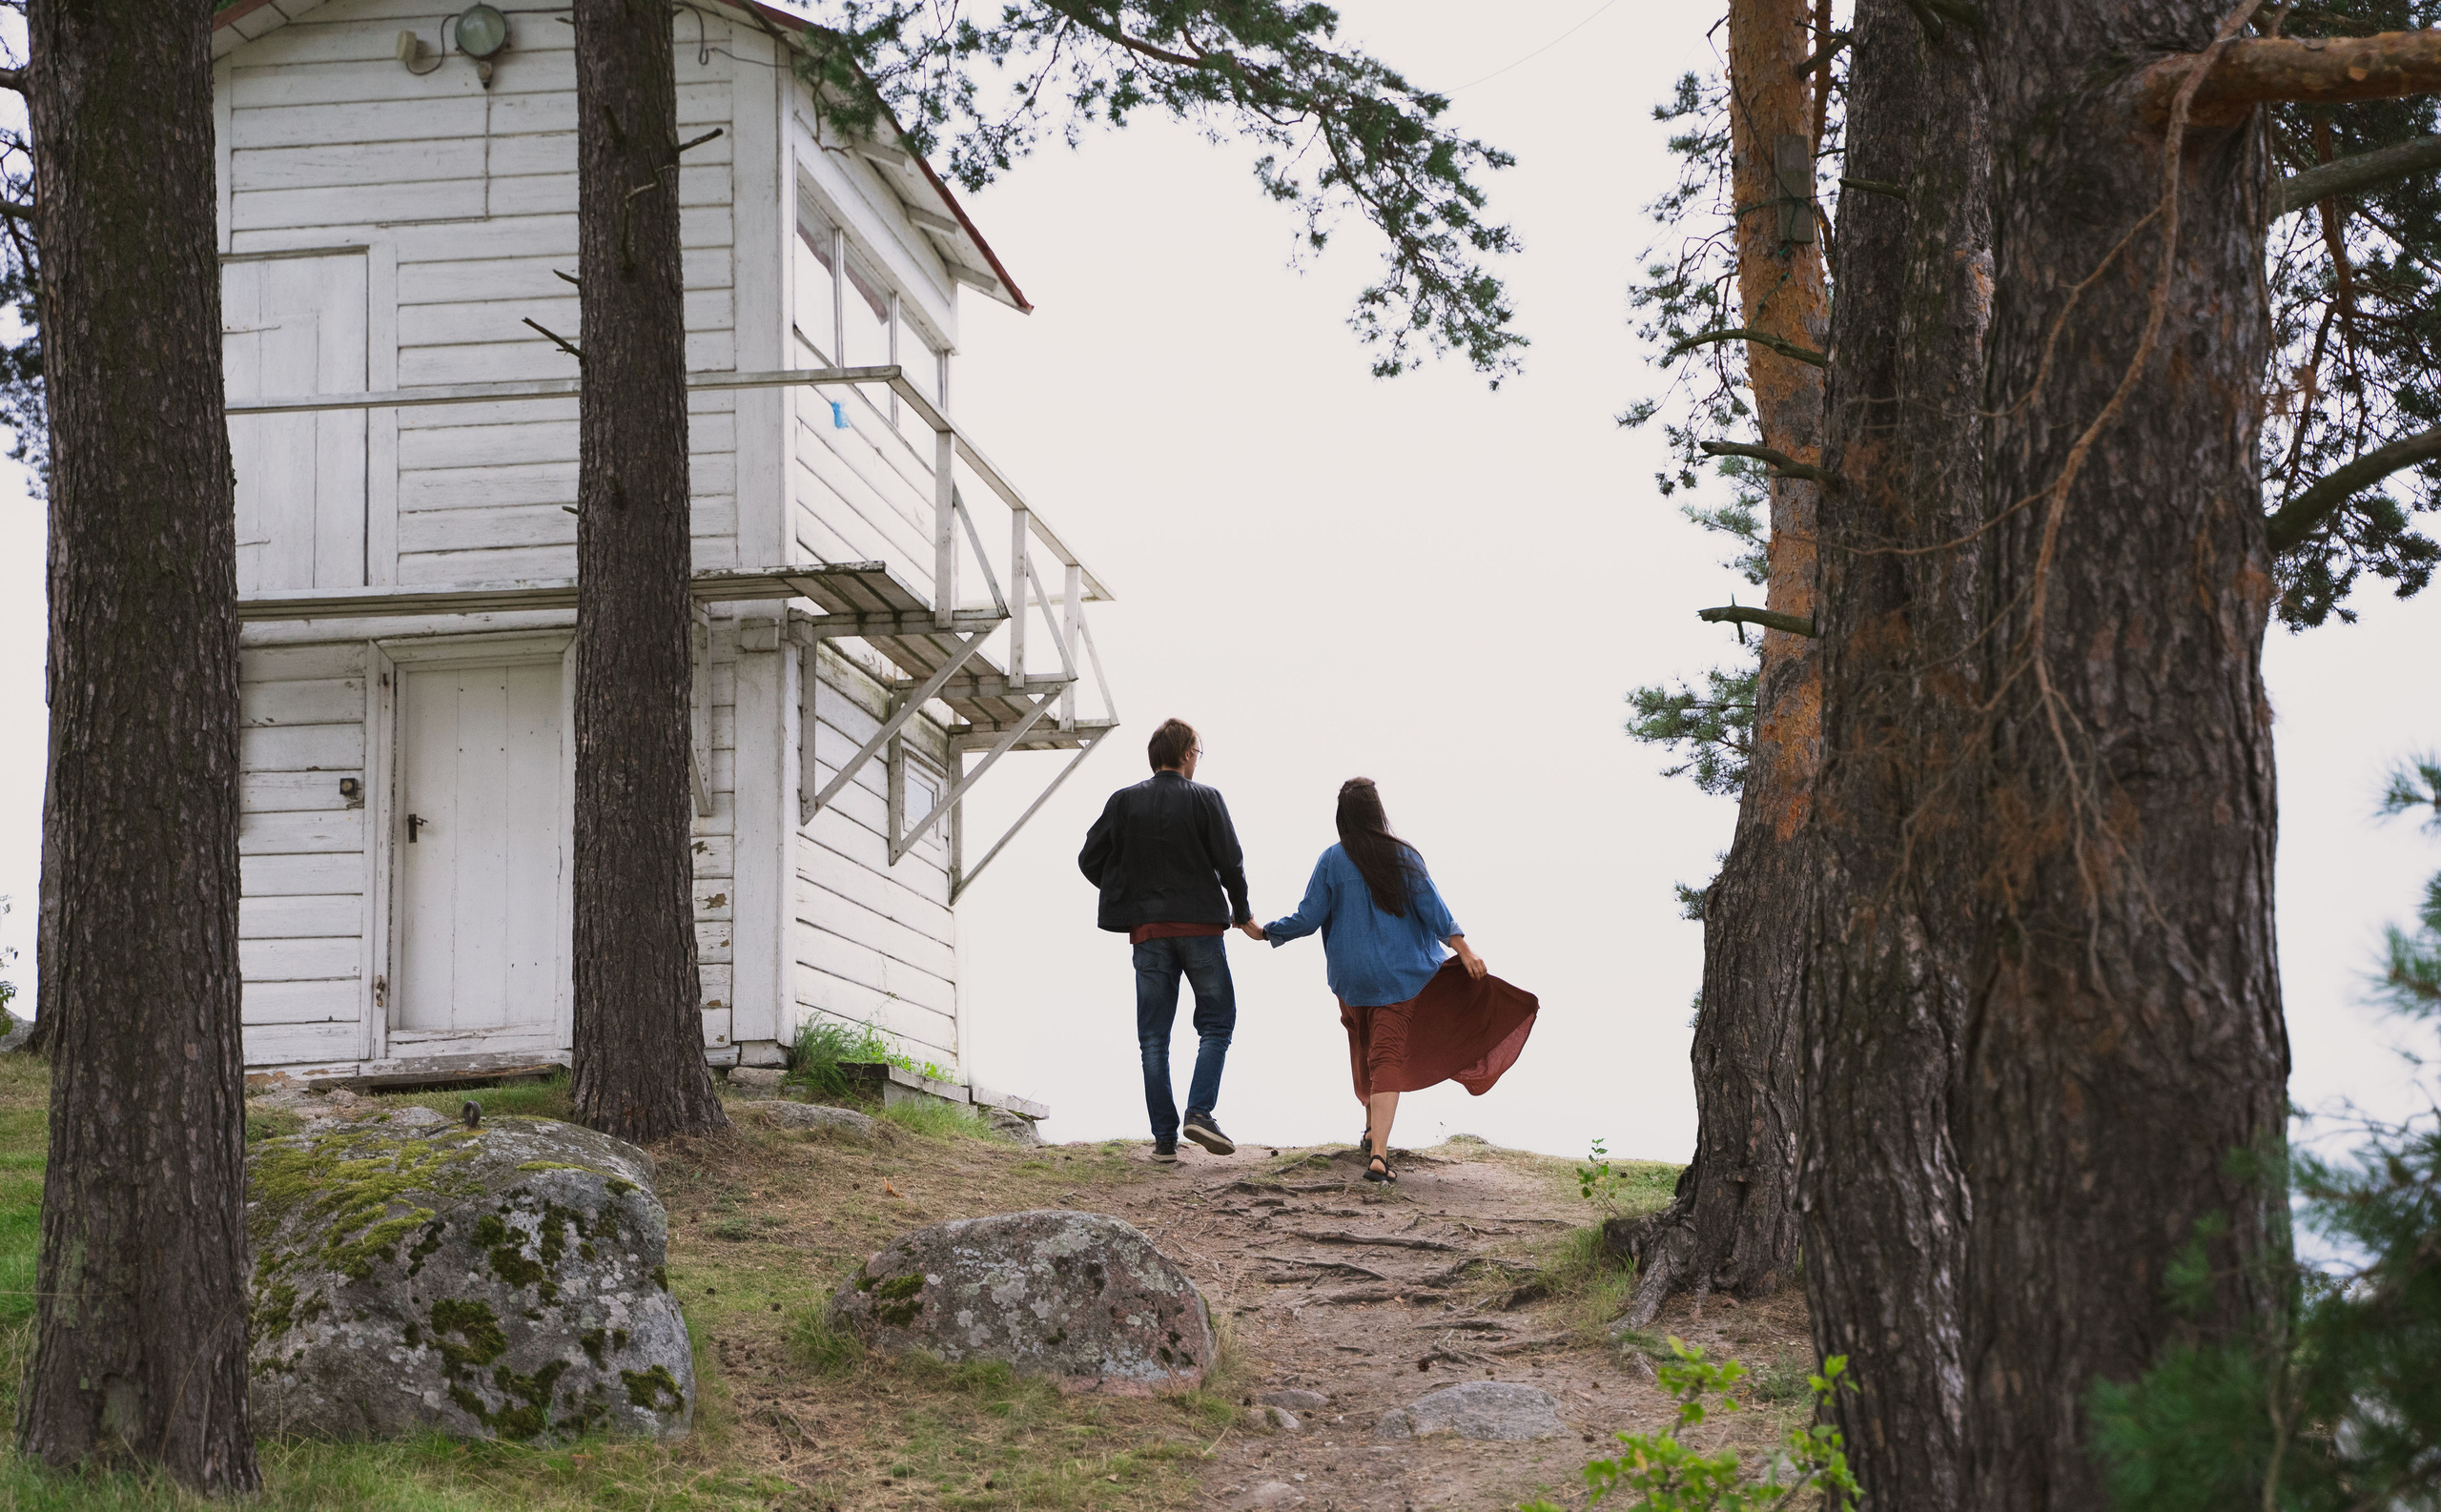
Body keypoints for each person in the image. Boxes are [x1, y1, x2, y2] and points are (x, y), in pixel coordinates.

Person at [1253, 777, 1537, 1182]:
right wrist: (1464, 949)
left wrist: (1266, 931)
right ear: (1376, 811)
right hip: (1398, 976)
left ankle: (1371, 1131)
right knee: (1385, 1056)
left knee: (1365, 1045)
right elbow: (1432, 908)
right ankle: (1380, 1158)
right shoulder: (1402, 857)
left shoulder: (1331, 860)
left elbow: (1308, 917)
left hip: (1350, 978)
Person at [1077, 718, 1260, 1163]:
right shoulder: (1206, 799)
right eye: (1197, 751)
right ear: (1185, 754)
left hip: (1149, 935)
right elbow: (1231, 863)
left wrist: (1127, 890)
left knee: (1153, 1037)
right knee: (1217, 1023)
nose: (1198, 758)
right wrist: (1243, 914)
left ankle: (1164, 1141)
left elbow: (1089, 859)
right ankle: (1199, 1111)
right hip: (1200, 929)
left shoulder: (1123, 802)